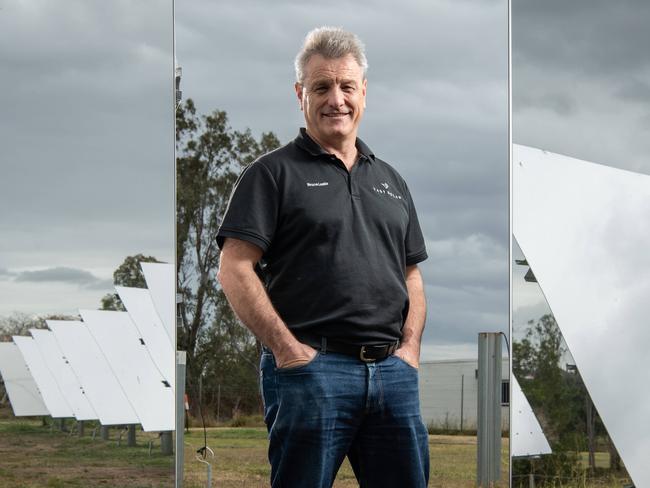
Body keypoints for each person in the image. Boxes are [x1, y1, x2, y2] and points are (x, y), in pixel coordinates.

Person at [217, 26, 429, 488]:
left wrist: (409, 350)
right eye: (322, 87)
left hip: (393, 375)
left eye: (347, 86)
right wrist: (288, 351)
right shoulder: (271, 174)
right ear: (300, 94)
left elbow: (411, 274)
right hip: (313, 372)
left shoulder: (391, 180)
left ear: (364, 92)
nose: (337, 99)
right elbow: (234, 269)